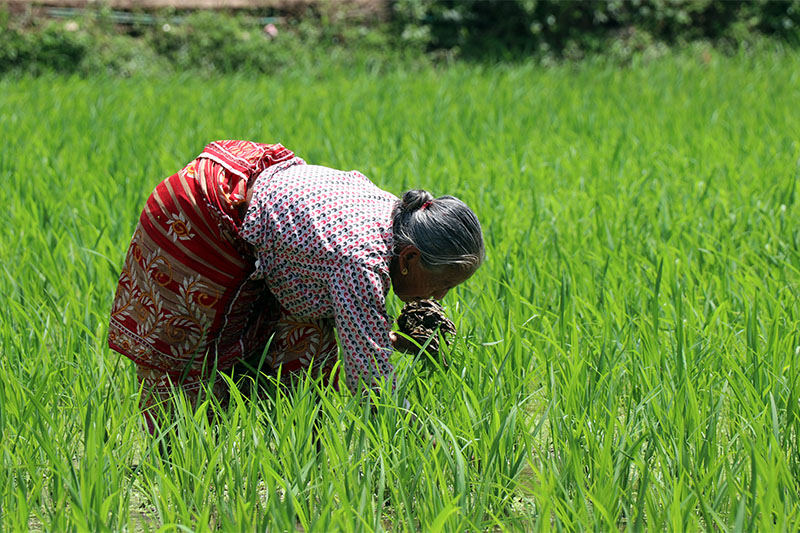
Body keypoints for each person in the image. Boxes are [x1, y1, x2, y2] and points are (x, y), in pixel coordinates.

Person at [108, 140, 484, 431]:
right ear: (410, 259)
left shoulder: (397, 219)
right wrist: (424, 443)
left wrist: (405, 343)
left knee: (312, 338)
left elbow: (359, 326)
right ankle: (181, 472)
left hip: (250, 202)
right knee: (186, 354)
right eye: (443, 284)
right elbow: (371, 381)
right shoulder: (361, 261)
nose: (439, 297)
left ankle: (291, 447)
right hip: (199, 213)